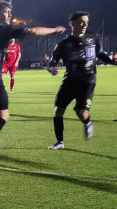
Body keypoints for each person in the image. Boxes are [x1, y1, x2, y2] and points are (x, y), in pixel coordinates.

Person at [0, 0, 65, 164]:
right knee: (3, 115)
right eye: (6, 12)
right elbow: (33, 31)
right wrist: (55, 30)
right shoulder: (2, 28)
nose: (10, 15)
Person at [46, 11, 116, 150]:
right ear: (72, 24)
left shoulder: (93, 38)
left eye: (87, 22)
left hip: (88, 79)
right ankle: (59, 142)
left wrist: (113, 62)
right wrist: (52, 68)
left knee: (81, 111)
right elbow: (52, 61)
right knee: (58, 111)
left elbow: (100, 54)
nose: (85, 24)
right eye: (81, 22)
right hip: (69, 80)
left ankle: (87, 123)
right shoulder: (63, 44)